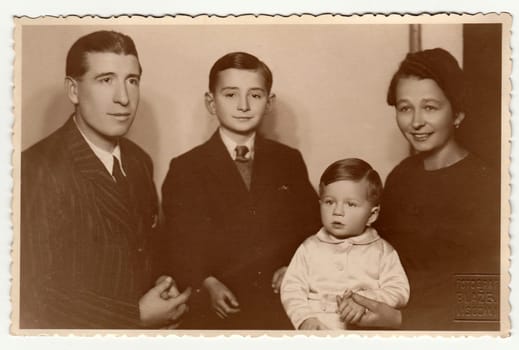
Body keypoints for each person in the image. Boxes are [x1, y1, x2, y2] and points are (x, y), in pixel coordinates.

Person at [20, 30, 191, 329]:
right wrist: (134, 316)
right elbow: (33, 296)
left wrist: (162, 284)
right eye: (106, 80)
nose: (123, 98)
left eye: (132, 80)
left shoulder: (139, 161)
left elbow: (143, 249)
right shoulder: (36, 169)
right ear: (73, 90)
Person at [161, 51, 321, 329]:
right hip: (214, 313)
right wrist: (206, 283)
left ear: (269, 102)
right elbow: (178, 242)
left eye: (255, 95)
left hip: (279, 307)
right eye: (231, 95)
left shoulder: (289, 160)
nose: (244, 105)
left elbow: (311, 228)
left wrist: (294, 269)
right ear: (211, 103)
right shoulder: (185, 167)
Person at [377, 48, 500, 330]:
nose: (416, 122)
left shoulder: (486, 185)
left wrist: (401, 319)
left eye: (430, 107)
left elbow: (482, 302)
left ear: (457, 114)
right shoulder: (400, 176)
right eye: (405, 108)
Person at [281, 158, 409, 330]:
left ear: (372, 215)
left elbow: (399, 290)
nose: (337, 211)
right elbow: (291, 288)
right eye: (329, 202)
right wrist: (304, 318)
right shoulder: (309, 248)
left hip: (364, 333)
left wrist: (366, 300)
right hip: (317, 330)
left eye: (350, 204)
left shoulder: (382, 251)